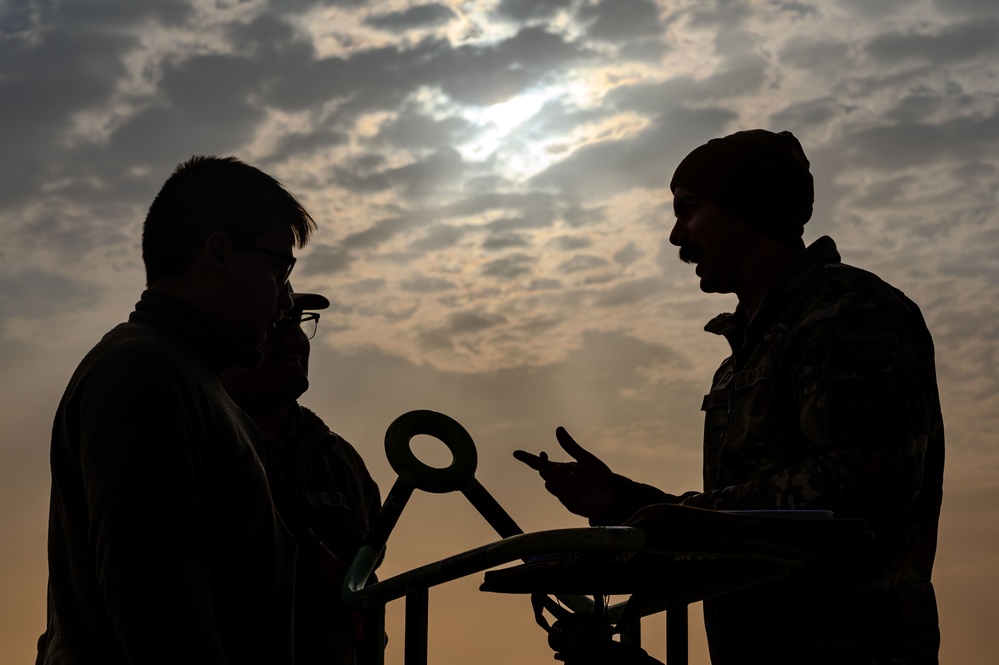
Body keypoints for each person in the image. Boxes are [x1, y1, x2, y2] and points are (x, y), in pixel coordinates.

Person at [514, 130, 944, 664]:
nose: (677, 237)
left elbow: (865, 483)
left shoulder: (850, 314)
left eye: (689, 210)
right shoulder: (737, 360)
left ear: (746, 208)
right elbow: (750, 518)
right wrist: (622, 503)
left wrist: (670, 518)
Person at [38, 155, 316, 664]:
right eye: (279, 269)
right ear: (217, 252)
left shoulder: (192, 381)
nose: (286, 299)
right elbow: (157, 604)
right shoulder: (145, 374)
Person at [219, 287, 382, 665]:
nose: (294, 340)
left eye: (298, 323)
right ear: (222, 340)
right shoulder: (193, 441)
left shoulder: (342, 463)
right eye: (276, 324)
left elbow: (365, 589)